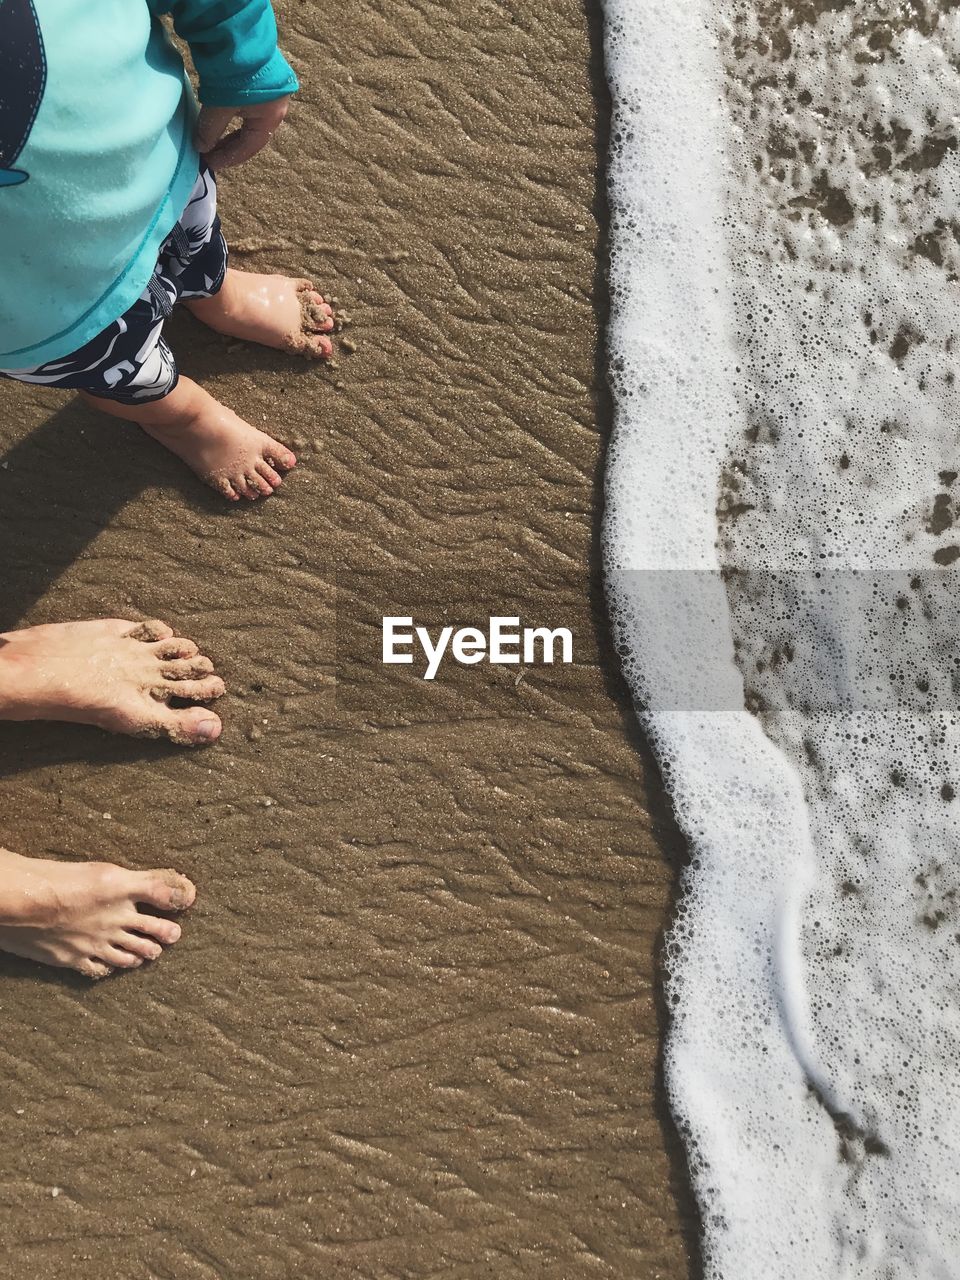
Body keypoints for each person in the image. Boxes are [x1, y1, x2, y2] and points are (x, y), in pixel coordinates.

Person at [0, 0, 320, 977]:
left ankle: (205, 291)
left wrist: (238, 53)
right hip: (36, 295)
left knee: (188, 233)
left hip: (157, 154)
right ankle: (174, 406)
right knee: (116, 362)